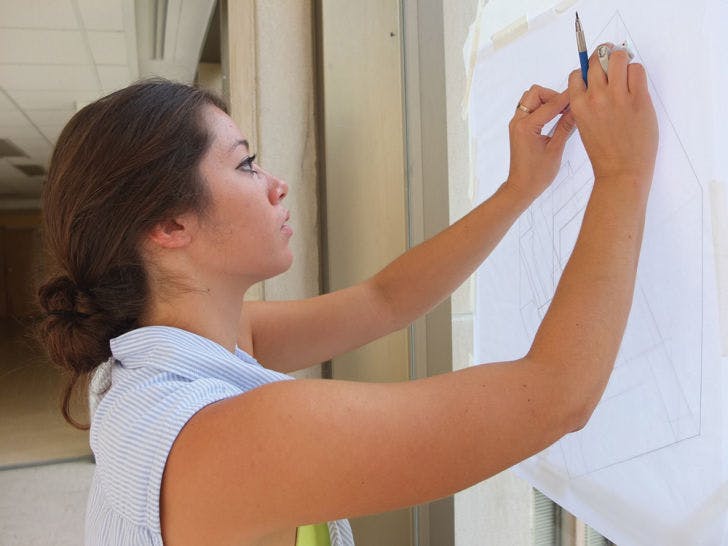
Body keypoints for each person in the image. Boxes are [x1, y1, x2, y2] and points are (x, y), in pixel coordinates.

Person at [36, 47, 657, 546]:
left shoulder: (170, 352)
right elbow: (555, 397)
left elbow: (385, 299)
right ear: (169, 226)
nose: (276, 186)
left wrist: (520, 189)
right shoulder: (222, 439)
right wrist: (624, 174)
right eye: (246, 165)